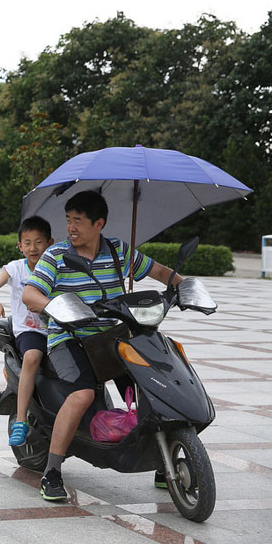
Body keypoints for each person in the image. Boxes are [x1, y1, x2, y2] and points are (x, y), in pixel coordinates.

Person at [22, 190, 182, 502]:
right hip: (69, 338)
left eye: (78, 221)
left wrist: (184, 286)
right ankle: (52, 472)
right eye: (68, 220)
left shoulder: (119, 251)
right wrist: (56, 307)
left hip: (112, 336)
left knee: (154, 383)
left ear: (99, 224)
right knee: (82, 394)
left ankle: (162, 458)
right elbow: (30, 294)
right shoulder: (56, 256)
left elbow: (160, 272)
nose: (71, 227)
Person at [0, 216, 54, 447]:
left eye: (39, 242)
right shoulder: (15, 269)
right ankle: (21, 420)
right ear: (20, 246)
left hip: (56, 329)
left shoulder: (56, 268)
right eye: (28, 243)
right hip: (28, 331)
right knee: (32, 357)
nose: (33, 248)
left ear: (50, 243)